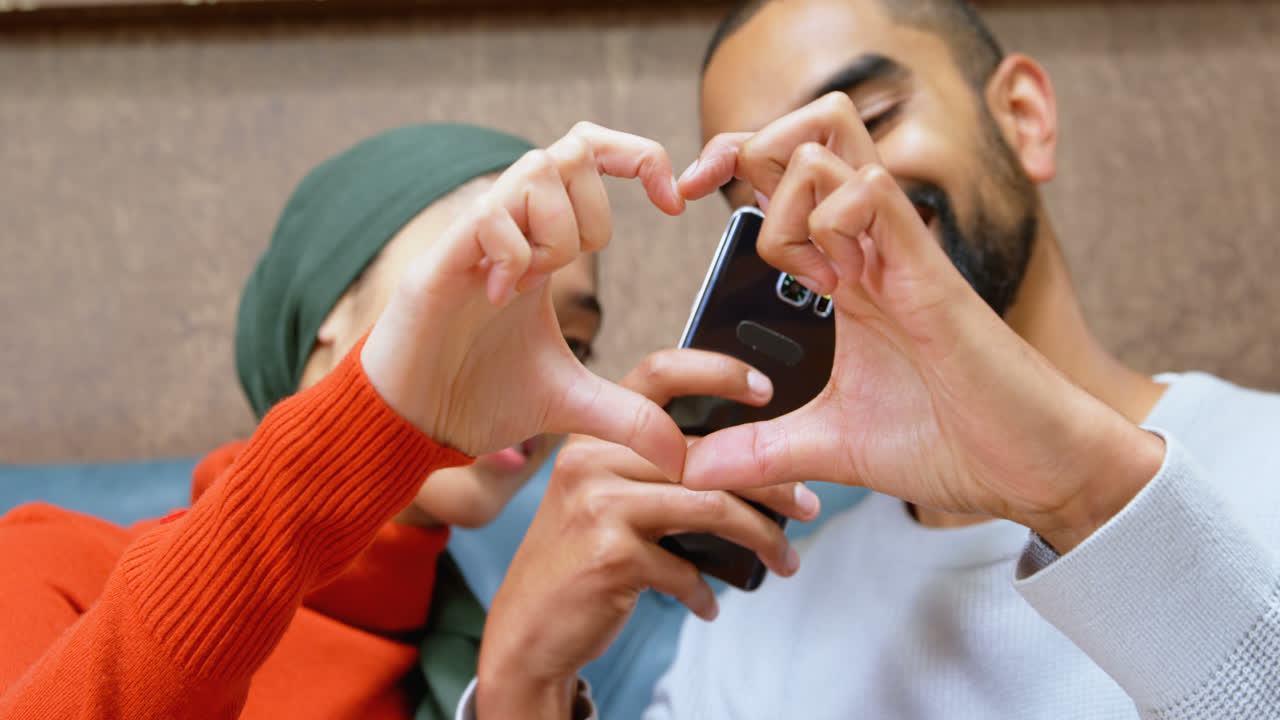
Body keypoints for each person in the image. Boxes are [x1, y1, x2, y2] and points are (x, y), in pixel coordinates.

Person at [462, 1, 1280, 718]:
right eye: (757, 203)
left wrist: (1081, 498)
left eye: (872, 118)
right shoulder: (765, 622)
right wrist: (521, 684)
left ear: (1024, 116)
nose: (817, 200)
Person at [0, 121, 812, 719]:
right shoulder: (52, 563)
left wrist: (522, 685)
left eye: (578, 342)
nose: (527, 375)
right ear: (328, 303)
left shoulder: (474, 662)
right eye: (493, 295)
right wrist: (374, 417)